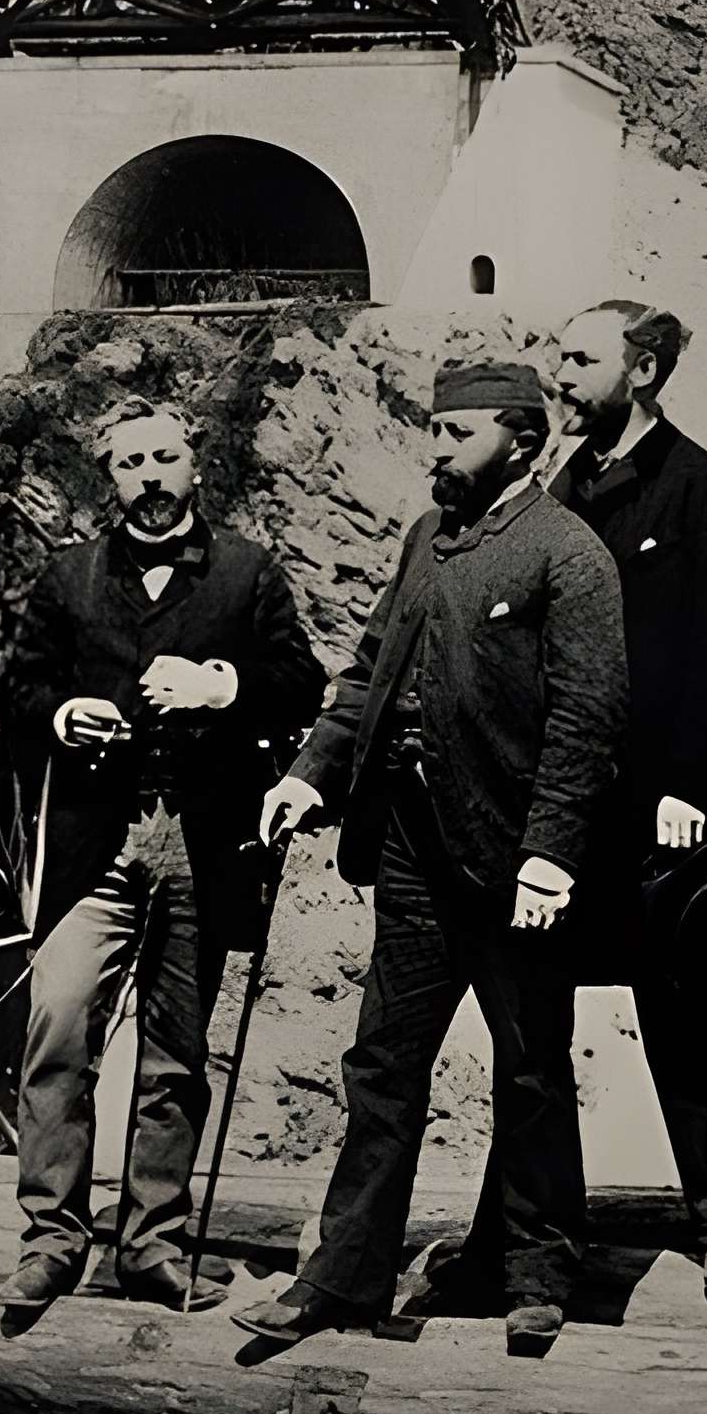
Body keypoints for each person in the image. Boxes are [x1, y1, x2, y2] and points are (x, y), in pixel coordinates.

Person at [237, 359, 628, 1351]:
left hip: (510, 858)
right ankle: (346, 1274)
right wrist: (308, 772)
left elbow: (587, 719)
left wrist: (550, 851)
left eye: (455, 434)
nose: (434, 450)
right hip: (410, 845)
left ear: (521, 440)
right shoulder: (426, 537)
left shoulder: (564, 554)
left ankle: (539, 1275)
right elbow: (370, 670)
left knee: (530, 1066)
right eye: (432, 431)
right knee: (382, 1062)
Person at [447, 301, 707, 1304]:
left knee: (688, 1014)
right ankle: (525, 1235)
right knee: (531, 1023)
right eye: (555, 353)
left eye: (578, 357)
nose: (558, 373)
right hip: (555, 806)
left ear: (642, 369)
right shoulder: (547, 496)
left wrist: (688, 784)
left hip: (657, 811)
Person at [0, 398, 326, 1315]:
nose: (150, 476)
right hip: (96, 842)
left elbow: (302, 680)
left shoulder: (247, 574)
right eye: (131, 461)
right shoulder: (68, 579)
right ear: (111, 477)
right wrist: (63, 715)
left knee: (176, 1054)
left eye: (165, 457)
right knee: (59, 1026)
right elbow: (17, 688)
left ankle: (151, 1242)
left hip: (202, 841)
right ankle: (53, 1238)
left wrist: (223, 685)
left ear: (194, 465)